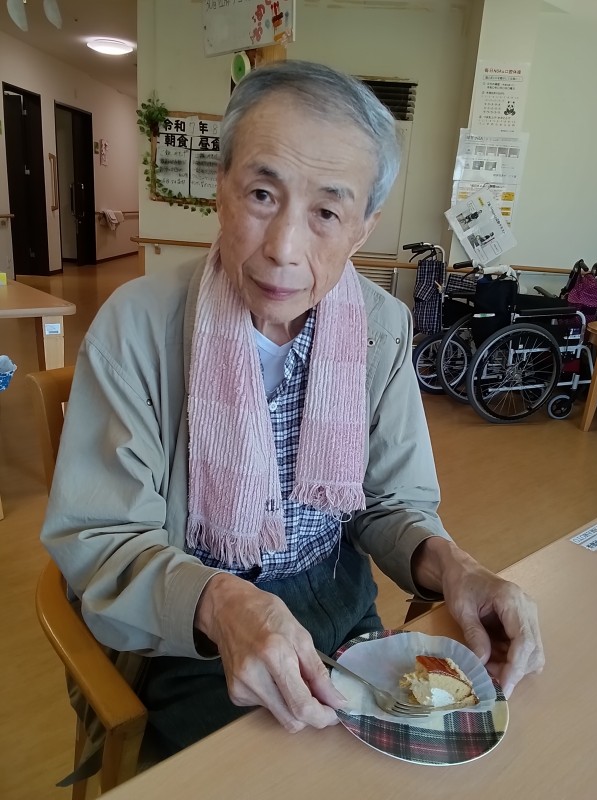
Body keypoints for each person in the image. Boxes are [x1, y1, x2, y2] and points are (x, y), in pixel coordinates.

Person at [41, 60, 544, 759]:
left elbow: (390, 502)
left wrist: (455, 566)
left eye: (327, 213)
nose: (282, 249)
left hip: (338, 601)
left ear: (363, 228)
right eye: (261, 194)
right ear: (221, 190)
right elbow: (101, 540)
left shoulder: (380, 329)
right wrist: (221, 603)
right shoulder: (136, 328)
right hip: (190, 633)